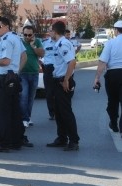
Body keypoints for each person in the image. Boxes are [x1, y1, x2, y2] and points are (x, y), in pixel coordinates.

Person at [0, 17, 26, 152]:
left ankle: (4, 143)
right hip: (11, 77)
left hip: (4, 78)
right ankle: (15, 141)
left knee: (3, 112)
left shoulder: (7, 40)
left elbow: (5, 61)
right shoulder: (15, 38)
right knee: (13, 111)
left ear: (6, 27)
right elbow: (22, 56)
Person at [46, 21, 80, 151]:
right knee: (59, 112)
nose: (49, 33)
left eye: (50, 31)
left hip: (62, 81)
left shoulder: (63, 43)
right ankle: (62, 138)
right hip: (57, 80)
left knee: (65, 112)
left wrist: (66, 79)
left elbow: (72, 62)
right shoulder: (59, 43)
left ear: (55, 32)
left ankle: (74, 140)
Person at [19, 25, 44, 128]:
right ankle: (23, 118)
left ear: (33, 34)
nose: (27, 37)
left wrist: (33, 46)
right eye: (25, 34)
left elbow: (42, 54)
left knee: (31, 97)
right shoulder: (20, 42)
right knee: (24, 96)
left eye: (29, 35)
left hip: (34, 73)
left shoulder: (37, 42)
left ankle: (28, 117)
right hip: (23, 73)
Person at [41, 31, 56, 120]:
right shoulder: (45, 43)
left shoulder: (63, 43)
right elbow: (40, 55)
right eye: (50, 31)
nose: (52, 33)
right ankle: (52, 112)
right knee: (49, 92)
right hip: (48, 68)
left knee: (59, 92)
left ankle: (60, 110)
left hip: (59, 69)